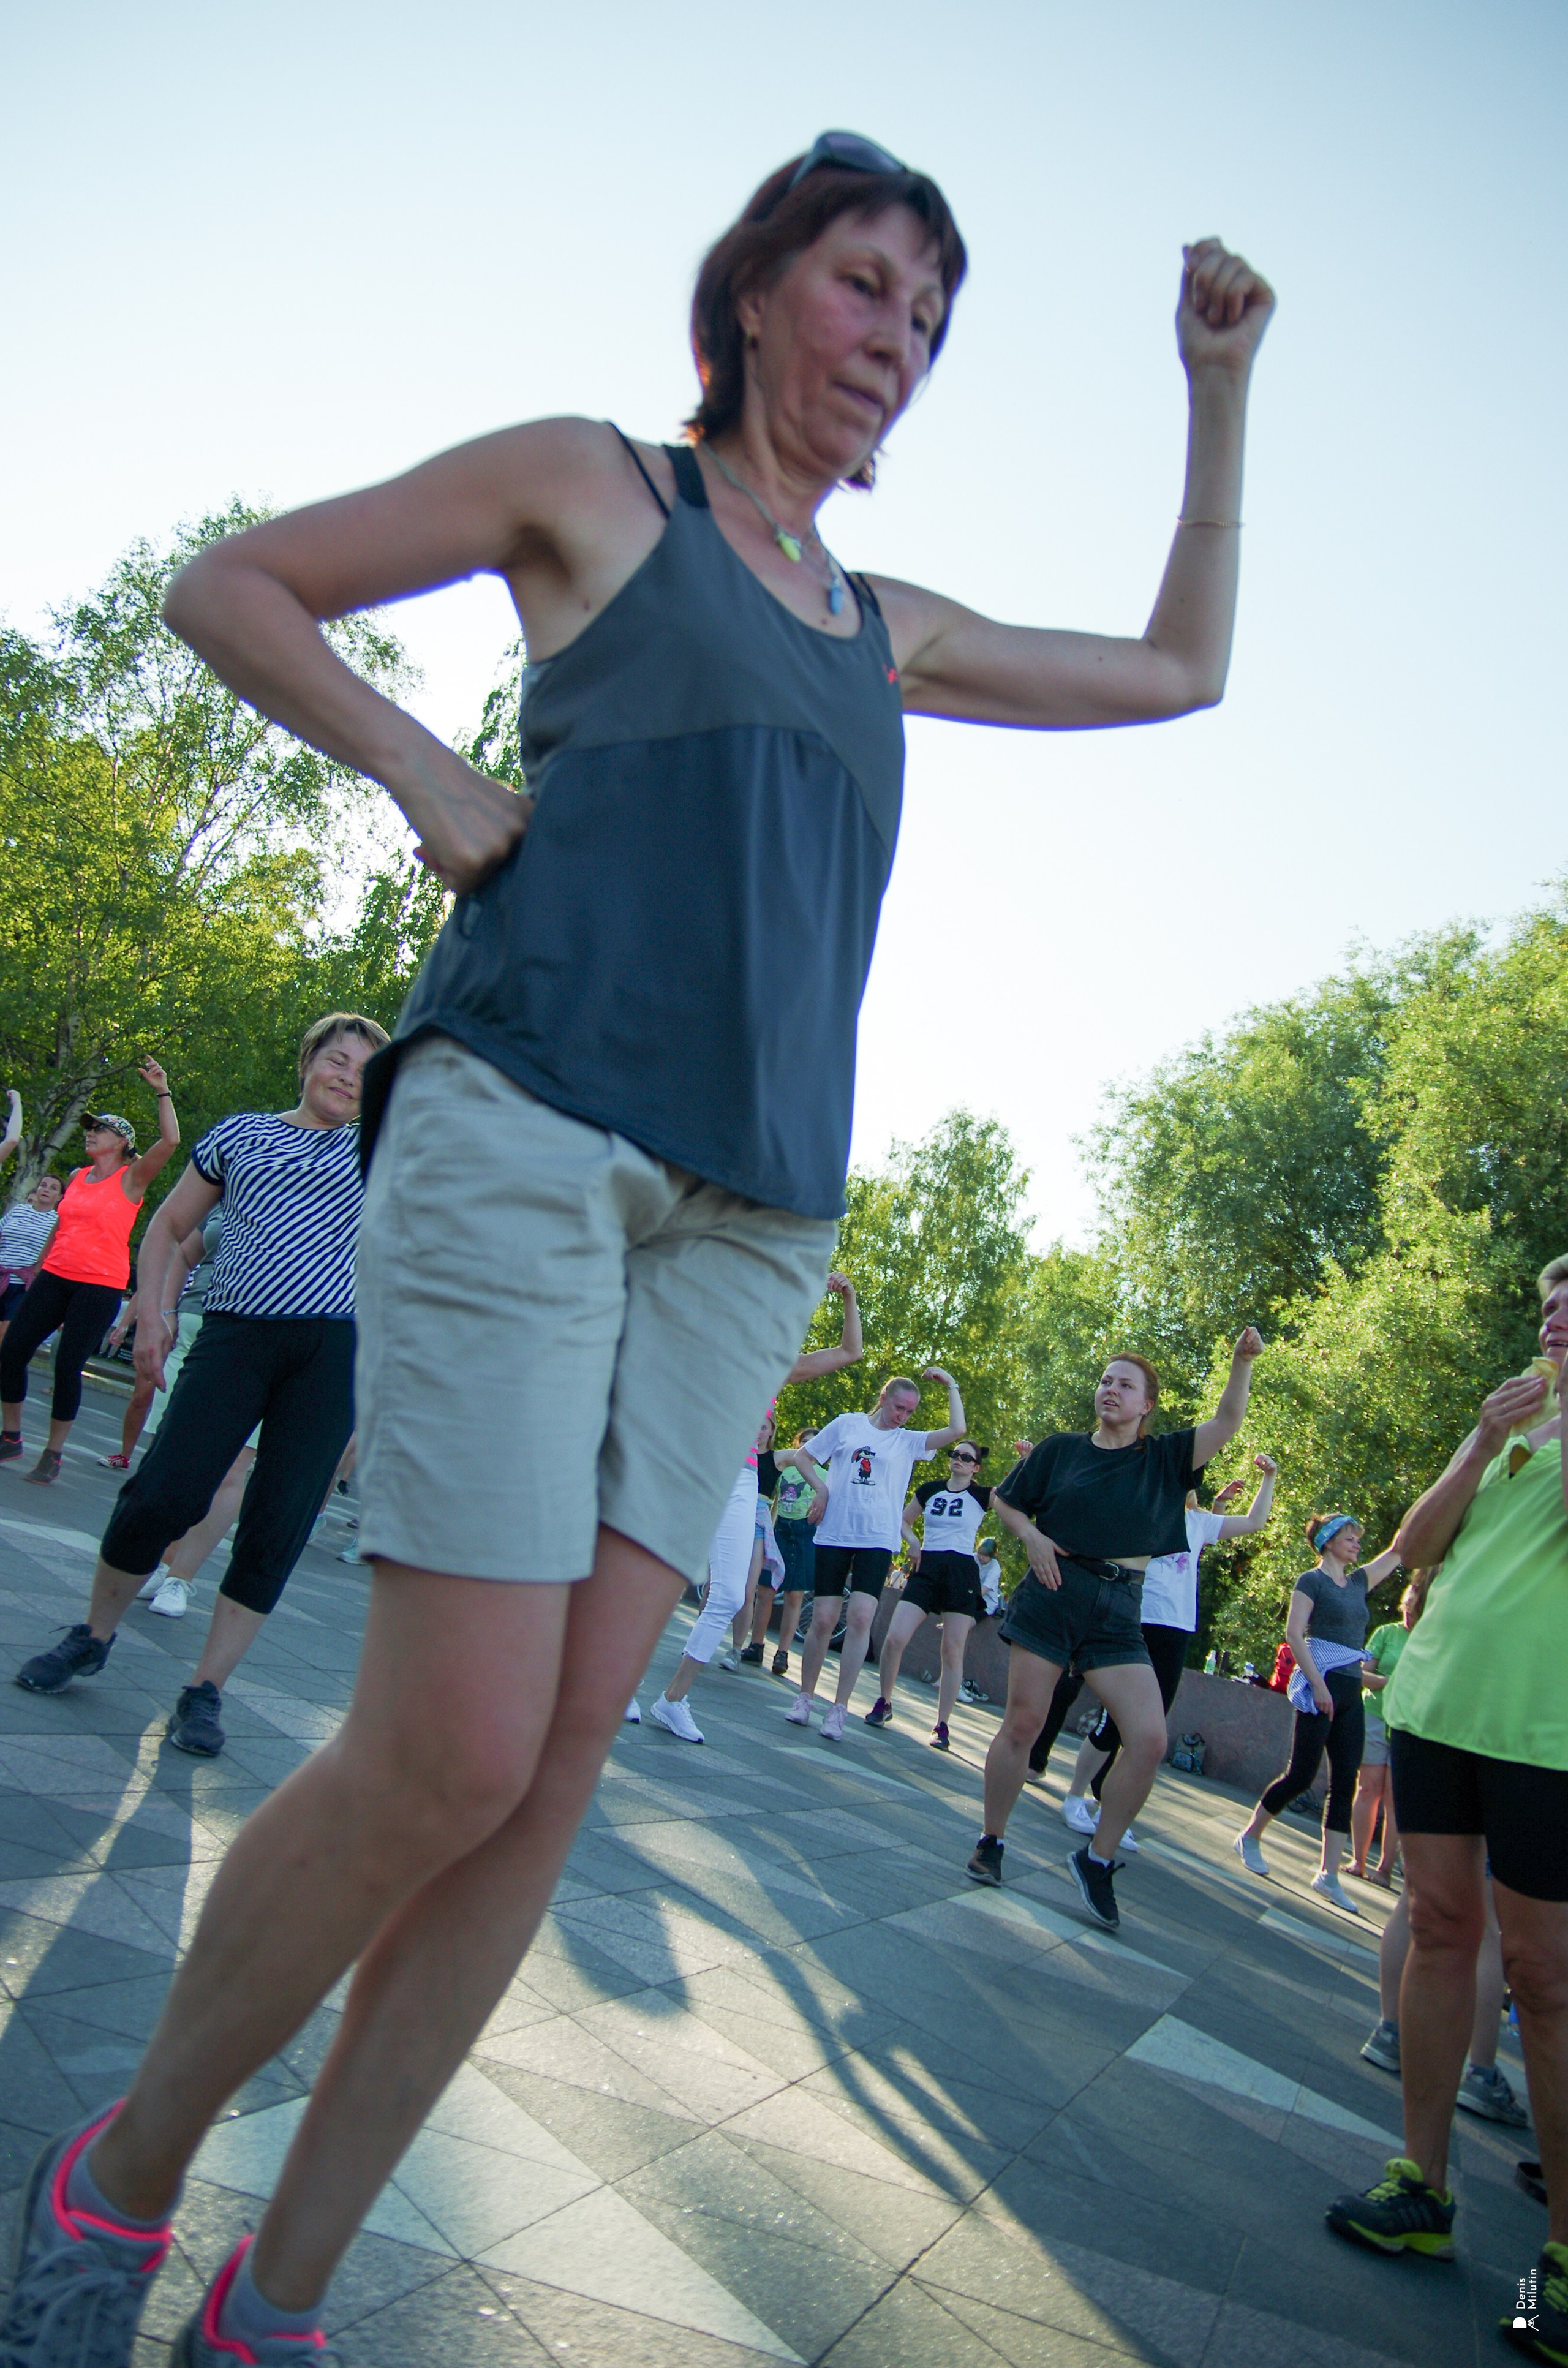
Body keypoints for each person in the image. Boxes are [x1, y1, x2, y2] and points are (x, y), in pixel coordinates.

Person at [0, 135, 1276, 2368]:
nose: (899, 339)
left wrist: (1214, 391)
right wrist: (418, 766)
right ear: (759, 289)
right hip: (525, 1130)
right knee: (450, 1745)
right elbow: (233, 585)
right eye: (868, 285)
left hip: (751, 1212)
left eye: (932, 317)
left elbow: (1178, 666)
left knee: (556, 1763)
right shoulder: (598, 487)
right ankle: (110, 2177)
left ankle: (270, 2303)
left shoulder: (884, 627)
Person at [12, 1014, 385, 1758]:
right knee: (165, 1492)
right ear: (309, 1060)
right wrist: (149, 1311)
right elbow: (167, 1228)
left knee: (278, 1521)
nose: (347, 1075)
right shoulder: (240, 1135)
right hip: (236, 1335)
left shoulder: (387, 1152)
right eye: (336, 1059)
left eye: (365, 1069)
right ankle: (91, 1634)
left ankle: (206, 1688)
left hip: (334, 1353)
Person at [1327, 1261, 1568, 2362]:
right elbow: (1416, 1551)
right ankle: (1423, 2188)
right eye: (1550, 1303)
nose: (1553, 1316)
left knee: (1543, 1978)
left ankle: (1560, 2266)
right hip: (1432, 1713)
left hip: (1548, 1738)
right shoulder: (1514, 1421)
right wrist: (1476, 1441)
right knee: (1437, 1930)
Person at [974, 1333, 1263, 1928]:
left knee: (1150, 1739)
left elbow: (1228, 1418)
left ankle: (1097, 1858)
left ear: (1146, 1404)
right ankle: (992, 1839)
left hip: (1118, 1608)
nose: (1111, 1389)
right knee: (1024, 1722)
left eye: (1124, 1383)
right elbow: (1005, 1501)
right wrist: (1028, 1535)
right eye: (1106, 1379)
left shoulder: (1164, 1458)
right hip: (1055, 1589)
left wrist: (1241, 1361)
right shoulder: (1059, 1450)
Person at [646, 1280, 863, 1740]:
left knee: (728, 1596)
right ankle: (612, 1684)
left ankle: (672, 1700)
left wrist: (847, 1299)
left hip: (740, 1480)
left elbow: (849, 1351)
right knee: (644, 1573)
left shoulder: (775, 1366)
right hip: (690, 1466)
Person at [1061, 1458, 1278, 1850]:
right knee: (1115, 1724)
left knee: (1148, 1732)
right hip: (1136, 1623)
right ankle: (1075, 1797)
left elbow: (1254, 1523)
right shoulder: (1140, 1512)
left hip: (1176, 1631)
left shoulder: (1197, 1524)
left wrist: (1269, 1478)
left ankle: (1111, 1812)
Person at [0, 1065, 179, 1483]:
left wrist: (162, 1091)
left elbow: (170, 1141)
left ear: (121, 1143)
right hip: (55, 1276)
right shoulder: (78, 1177)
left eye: (99, 1129)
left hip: (99, 1286)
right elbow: (61, 1228)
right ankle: (11, 1436)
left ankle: (54, 1453)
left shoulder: (132, 1177)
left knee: (68, 1365)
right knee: (11, 1353)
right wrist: (38, 1268)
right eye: (89, 1128)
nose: (90, 1133)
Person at [1233, 1512, 1402, 1911]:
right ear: (1328, 1542)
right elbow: (1294, 1633)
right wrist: (1320, 1686)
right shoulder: (1311, 1582)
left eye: (1359, 1539)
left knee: (1345, 1781)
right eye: (1350, 1537)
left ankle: (1328, 1875)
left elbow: (1397, 1552)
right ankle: (1251, 1835)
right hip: (1320, 1688)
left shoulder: (1358, 1582)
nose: (1358, 1544)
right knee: (1301, 1775)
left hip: (1349, 1693)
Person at [788, 1368, 967, 1736]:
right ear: (884, 1398)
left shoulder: (908, 1442)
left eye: (910, 1412)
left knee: (861, 1617)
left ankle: (839, 1710)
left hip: (877, 1538)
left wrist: (951, 1386)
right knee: (823, 1618)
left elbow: (956, 1432)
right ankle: (804, 1697)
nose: (903, 1416)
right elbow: (804, 1458)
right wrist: (821, 1490)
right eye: (899, 1407)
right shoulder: (848, 1425)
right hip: (836, 1532)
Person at [865, 1440, 993, 1748]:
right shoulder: (930, 1489)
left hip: (961, 1572)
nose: (958, 1460)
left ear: (976, 1467)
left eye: (966, 1458)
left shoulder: (982, 1495)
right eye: (955, 1455)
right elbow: (904, 1519)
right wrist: (912, 1541)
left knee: (952, 1651)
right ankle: (884, 1702)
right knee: (895, 1638)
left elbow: (1017, 1498)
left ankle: (942, 1725)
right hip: (928, 1567)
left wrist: (1026, 1461)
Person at [1346, 1568, 1431, 1883]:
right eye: (1408, 1608)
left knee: (1397, 1799)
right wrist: (1388, 1682)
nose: (1410, 1615)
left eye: (1417, 1611)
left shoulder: (1431, 1639)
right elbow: (1361, 1673)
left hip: (1409, 1724)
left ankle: (1385, 1868)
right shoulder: (1386, 1634)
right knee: (1368, 1789)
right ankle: (1358, 1861)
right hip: (1375, 1713)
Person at [741, 1425, 824, 1673]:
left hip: (806, 1533)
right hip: (779, 1529)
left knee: (795, 1595)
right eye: (804, 1442)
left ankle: (783, 1652)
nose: (808, 1447)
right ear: (796, 1444)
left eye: (814, 1444)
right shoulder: (786, 1468)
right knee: (765, 1589)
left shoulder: (825, 1475)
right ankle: (756, 1645)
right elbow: (772, 1497)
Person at [0, 1172, 63, 1348]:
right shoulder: (19, 1210)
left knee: (5, 1333)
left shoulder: (58, 1221)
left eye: (53, 1188)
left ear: (60, 1197)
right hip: (2, 1274)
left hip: (24, 1283)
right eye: (43, 1185)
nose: (46, 1190)